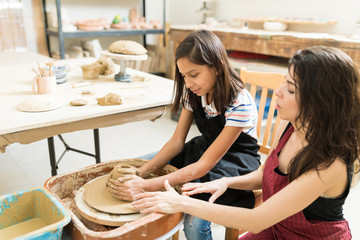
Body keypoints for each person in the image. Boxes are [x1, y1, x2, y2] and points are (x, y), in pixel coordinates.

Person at [132, 46, 360, 239]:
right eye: (284, 82)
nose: (278, 93)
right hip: (278, 228)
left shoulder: (331, 163)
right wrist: (226, 183)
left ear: (321, 103)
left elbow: (257, 220)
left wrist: (181, 203)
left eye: (291, 89)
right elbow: (266, 175)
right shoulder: (289, 125)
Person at [107, 29, 261, 239]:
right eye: (183, 76)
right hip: (205, 148)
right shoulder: (195, 92)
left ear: (217, 66)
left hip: (235, 161)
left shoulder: (239, 103)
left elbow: (203, 167)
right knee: (138, 164)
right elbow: (177, 142)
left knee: (193, 219)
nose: (188, 83)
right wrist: (142, 172)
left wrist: (145, 185)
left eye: (194, 74)